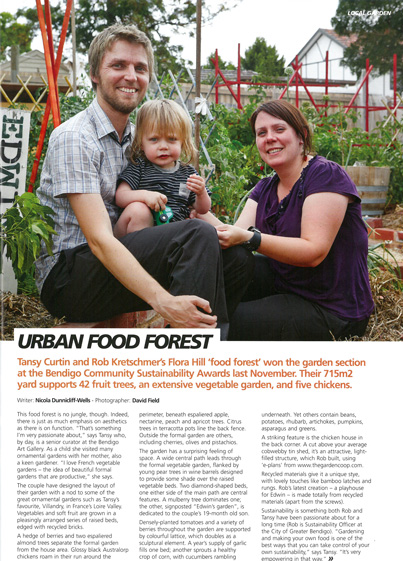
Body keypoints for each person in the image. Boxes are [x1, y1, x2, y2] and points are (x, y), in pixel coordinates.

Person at [34, 23, 250, 333]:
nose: (131, 76)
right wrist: (163, 301)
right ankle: (191, 351)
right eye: (118, 65)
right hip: (71, 275)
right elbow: (99, 240)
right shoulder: (76, 137)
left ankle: (202, 342)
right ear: (94, 74)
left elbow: (185, 200)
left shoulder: (141, 139)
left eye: (140, 68)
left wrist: (235, 234)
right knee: (195, 236)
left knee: (237, 258)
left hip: (120, 254)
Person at [211, 100, 373, 340]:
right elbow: (234, 235)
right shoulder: (265, 187)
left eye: (279, 129)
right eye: (261, 133)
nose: (269, 138)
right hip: (287, 286)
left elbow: (313, 251)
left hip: (331, 307)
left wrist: (251, 238)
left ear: (301, 136)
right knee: (233, 262)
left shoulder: (325, 175)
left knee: (222, 326)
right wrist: (198, 209)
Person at [113, 99, 211, 236]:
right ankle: (138, 250)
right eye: (154, 139)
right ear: (141, 143)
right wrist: (145, 196)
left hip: (171, 237)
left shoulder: (188, 173)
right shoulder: (140, 167)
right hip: (135, 234)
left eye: (172, 139)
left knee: (198, 226)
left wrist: (201, 193)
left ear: (182, 142)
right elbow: (120, 196)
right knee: (138, 210)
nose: (163, 146)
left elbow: (202, 209)